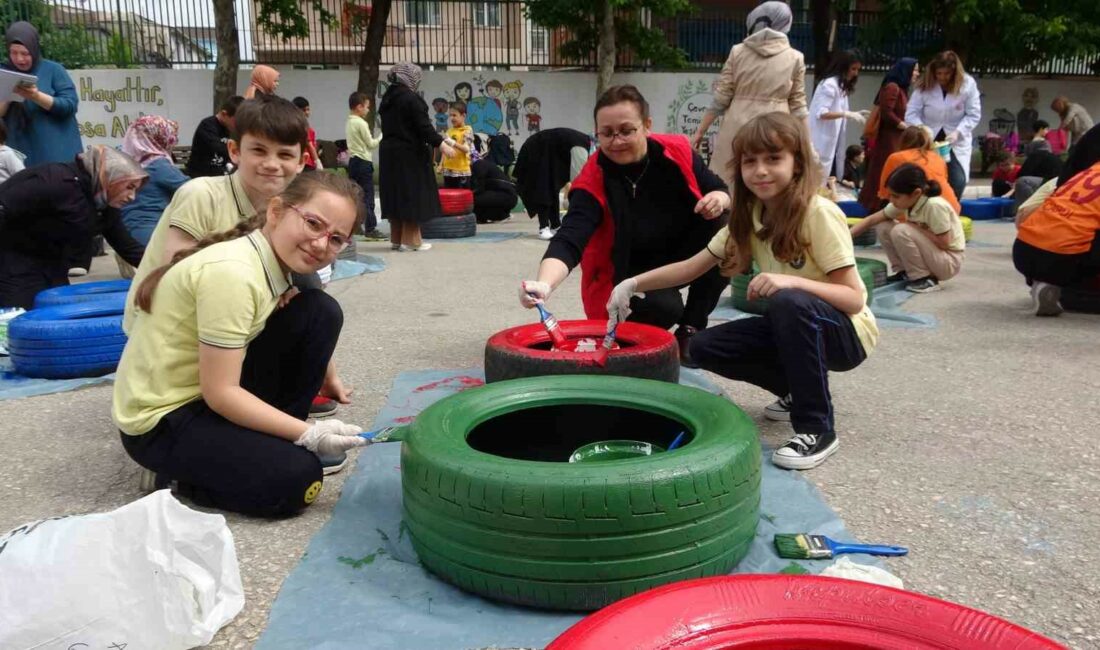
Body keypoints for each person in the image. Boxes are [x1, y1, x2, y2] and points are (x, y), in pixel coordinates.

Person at [606, 112, 876, 469]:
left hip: (847, 333)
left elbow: (854, 298)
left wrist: (790, 280)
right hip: (794, 322)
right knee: (702, 346)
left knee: (789, 301)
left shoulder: (818, 213)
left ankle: (817, 429)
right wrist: (632, 284)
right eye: (751, 161)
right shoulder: (748, 220)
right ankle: (797, 391)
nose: (761, 170)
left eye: (773, 158)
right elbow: (692, 266)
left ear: (797, 164)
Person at [114, 172, 368, 516]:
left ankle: (273, 442)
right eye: (312, 223)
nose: (322, 244)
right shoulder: (234, 274)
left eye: (336, 238)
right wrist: (310, 433)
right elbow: (221, 393)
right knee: (298, 479)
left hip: (203, 394)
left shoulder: (269, 263)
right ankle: (182, 478)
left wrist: (307, 423)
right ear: (276, 211)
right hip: (161, 420)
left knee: (319, 311)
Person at [518, 85, 731, 366]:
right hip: (628, 274)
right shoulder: (592, 179)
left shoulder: (678, 151)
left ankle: (690, 328)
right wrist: (543, 284)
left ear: (647, 126)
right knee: (663, 308)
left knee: (727, 232)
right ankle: (643, 337)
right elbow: (569, 240)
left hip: (683, 251)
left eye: (626, 130)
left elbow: (718, 188)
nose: (616, 141)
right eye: (606, 133)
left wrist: (719, 198)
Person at [0, 146, 146, 308]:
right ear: (109, 177)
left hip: (52, 264)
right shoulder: (56, 182)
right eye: (129, 187)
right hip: (12, 261)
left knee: (56, 313)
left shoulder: (103, 204)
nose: (132, 197)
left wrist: (166, 270)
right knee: (16, 316)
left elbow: (126, 246)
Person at [690, 1, 808, 185]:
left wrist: (699, 132)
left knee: (731, 182)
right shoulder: (796, 58)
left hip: (737, 125)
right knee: (771, 181)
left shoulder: (737, 52)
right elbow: (799, 105)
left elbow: (721, 97)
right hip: (777, 127)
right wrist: (807, 141)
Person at [378, 62, 457, 253]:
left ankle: (396, 239)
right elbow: (423, 127)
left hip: (389, 153)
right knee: (412, 194)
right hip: (409, 154)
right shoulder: (411, 99)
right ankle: (412, 241)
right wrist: (442, 144)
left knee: (396, 194)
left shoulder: (387, 99)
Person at [852, 164, 965, 293]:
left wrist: (913, 227)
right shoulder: (906, 202)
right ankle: (904, 272)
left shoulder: (934, 205)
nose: (891, 200)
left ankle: (924, 278)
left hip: (948, 261)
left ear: (916, 193)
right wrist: (846, 235)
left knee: (901, 230)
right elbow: (872, 220)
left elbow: (945, 243)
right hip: (935, 256)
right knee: (884, 225)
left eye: (895, 196)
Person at [1013, 160, 1100, 317]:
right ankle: (1067, 287)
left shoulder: (1088, 170)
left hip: (1023, 248)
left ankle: (1046, 282)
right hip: (1062, 258)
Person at [0, 22, 82, 168]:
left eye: (25, 53)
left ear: (34, 49)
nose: (19, 59)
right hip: (18, 155)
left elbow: (70, 105)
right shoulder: (4, 72)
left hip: (57, 153)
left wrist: (36, 96)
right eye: (14, 53)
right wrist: (8, 92)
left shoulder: (53, 70)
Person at [905, 51, 982, 200]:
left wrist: (958, 132)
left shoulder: (968, 84)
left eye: (946, 73)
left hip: (954, 139)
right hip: (928, 138)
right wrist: (922, 128)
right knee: (926, 178)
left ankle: (951, 211)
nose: (942, 77)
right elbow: (911, 113)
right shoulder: (925, 84)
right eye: (938, 73)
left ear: (954, 71)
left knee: (957, 180)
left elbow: (973, 114)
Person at [858, 57, 918, 212]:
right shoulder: (893, 87)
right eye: (915, 70)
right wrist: (902, 125)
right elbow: (886, 112)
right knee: (885, 171)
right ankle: (878, 205)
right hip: (889, 139)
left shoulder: (902, 89)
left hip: (896, 138)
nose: (917, 74)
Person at [119, 116, 190, 246]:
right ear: (159, 138)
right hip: (152, 234)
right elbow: (193, 189)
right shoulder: (157, 164)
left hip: (126, 231)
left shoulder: (125, 160)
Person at [514, 127, 591, 240]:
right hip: (536, 149)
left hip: (549, 150)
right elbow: (578, 181)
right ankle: (543, 227)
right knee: (544, 186)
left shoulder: (585, 145)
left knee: (553, 186)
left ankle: (556, 225)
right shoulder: (581, 146)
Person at [809, 50, 867, 182]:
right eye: (853, 69)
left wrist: (853, 113)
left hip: (829, 141)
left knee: (823, 174)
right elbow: (822, 113)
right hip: (819, 140)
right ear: (843, 67)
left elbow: (839, 110)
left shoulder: (840, 86)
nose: (855, 73)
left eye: (858, 69)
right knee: (816, 175)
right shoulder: (829, 85)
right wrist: (846, 114)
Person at [876, 125, 960, 213]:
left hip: (922, 210)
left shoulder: (896, 158)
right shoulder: (937, 158)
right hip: (951, 207)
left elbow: (885, 192)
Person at [346, 91, 383, 239]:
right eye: (367, 107)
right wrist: (381, 136)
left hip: (353, 162)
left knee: (355, 196)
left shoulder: (349, 121)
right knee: (368, 196)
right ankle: (371, 228)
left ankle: (355, 227)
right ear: (359, 107)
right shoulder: (361, 123)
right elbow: (371, 144)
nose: (368, 110)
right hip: (364, 162)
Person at [186, 95, 244, 178]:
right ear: (224, 114)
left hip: (221, 175)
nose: (238, 125)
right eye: (236, 121)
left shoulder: (229, 128)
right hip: (201, 176)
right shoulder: (207, 125)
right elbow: (219, 148)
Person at [471, 158, 517, 223]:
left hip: (506, 195)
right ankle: (493, 216)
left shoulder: (479, 165)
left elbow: (479, 187)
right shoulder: (482, 164)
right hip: (507, 195)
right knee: (476, 198)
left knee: (473, 199)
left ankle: (501, 215)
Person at [441, 101, 474, 189]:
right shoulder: (449, 131)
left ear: (463, 116)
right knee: (449, 198)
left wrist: (452, 142)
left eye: (454, 115)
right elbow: (445, 150)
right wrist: (441, 164)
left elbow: (466, 149)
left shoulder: (467, 130)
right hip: (448, 170)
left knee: (462, 199)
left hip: (461, 171)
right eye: (450, 115)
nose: (452, 118)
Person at [292, 96, 323, 171]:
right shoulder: (301, 125)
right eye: (303, 110)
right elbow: (309, 145)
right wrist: (317, 161)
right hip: (306, 162)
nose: (307, 112)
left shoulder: (299, 124)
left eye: (308, 109)